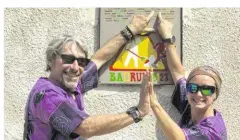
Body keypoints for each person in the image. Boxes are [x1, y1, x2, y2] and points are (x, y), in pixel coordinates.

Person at [23, 11, 156, 140]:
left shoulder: (71, 85)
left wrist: (130, 31)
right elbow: (85, 127)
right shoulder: (47, 95)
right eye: (68, 59)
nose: (75, 67)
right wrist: (138, 112)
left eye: (81, 61)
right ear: (51, 60)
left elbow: (99, 59)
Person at [144, 12, 227, 140]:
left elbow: (179, 138)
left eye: (207, 89)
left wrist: (154, 104)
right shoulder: (192, 105)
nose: (199, 94)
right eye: (193, 87)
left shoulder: (212, 130)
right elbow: (178, 73)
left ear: (216, 94)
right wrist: (167, 38)